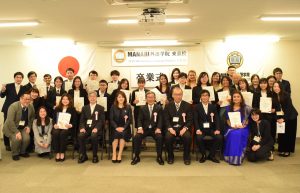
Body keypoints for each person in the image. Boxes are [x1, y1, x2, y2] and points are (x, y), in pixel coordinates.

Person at [131, 91, 164, 165]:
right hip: (144, 129)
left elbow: (161, 119)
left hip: (155, 129)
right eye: (148, 97)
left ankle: (159, 156)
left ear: (155, 98)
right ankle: (136, 156)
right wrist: (139, 128)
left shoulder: (159, 108)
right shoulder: (142, 108)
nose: (150, 99)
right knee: (136, 137)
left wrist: (159, 128)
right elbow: (139, 119)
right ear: (146, 99)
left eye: (152, 97)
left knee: (160, 137)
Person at [3, 91, 35, 161]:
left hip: (23, 127)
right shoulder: (13, 106)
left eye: (29, 99)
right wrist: (17, 132)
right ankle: (15, 153)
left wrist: (29, 126)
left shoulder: (31, 106)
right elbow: (10, 121)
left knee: (27, 138)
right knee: (17, 139)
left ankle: (22, 152)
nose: (27, 101)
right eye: (25, 99)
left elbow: (32, 117)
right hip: (11, 128)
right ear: (21, 99)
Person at [164, 87, 192, 165]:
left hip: (183, 128)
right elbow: (166, 119)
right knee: (168, 137)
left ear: (182, 95)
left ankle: (186, 156)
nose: (178, 96)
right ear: (172, 95)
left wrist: (185, 128)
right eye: (176, 94)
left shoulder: (187, 105)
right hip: (172, 128)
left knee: (187, 137)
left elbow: (190, 120)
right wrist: (170, 128)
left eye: (180, 94)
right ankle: (170, 156)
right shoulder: (168, 105)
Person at [194, 90, 222, 163]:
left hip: (211, 129)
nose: (205, 97)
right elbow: (195, 119)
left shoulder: (213, 107)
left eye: (206, 95)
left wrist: (217, 129)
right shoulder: (196, 107)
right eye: (203, 95)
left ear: (209, 97)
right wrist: (197, 129)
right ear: (200, 97)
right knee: (199, 138)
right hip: (201, 129)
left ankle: (211, 155)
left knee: (219, 137)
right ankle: (203, 155)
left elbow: (217, 119)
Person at [223, 91, 251, 165]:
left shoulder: (247, 108)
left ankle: (237, 158)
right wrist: (232, 126)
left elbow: (248, 120)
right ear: (232, 99)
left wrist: (243, 125)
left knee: (238, 133)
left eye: (238, 97)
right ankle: (230, 157)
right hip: (231, 127)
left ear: (241, 98)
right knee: (233, 133)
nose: (236, 98)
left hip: (243, 127)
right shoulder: (228, 108)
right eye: (234, 97)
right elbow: (227, 120)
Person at [78, 91, 105, 164]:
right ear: (88, 98)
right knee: (80, 136)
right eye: (91, 96)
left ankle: (95, 155)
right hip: (86, 129)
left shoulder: (101, 108)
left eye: (94, 96)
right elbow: (82, 120)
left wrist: (96, 128)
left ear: (96, 98)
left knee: (94, 136)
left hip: (96, 129)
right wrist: (82, 128)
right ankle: (84, 155)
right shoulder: (84, 108)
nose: (92, 98)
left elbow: (101, 121)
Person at [272, 81, 298, 157]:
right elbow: (276, 109)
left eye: (278, 86)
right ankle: (282, 149)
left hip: (290, 117)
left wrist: (283, 119)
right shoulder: (274, 96)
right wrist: (277, 118)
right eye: (274, 86)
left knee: (289, 134)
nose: (276, 88)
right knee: (281, 134)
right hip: (281, 117)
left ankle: (287, 150)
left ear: (281, 87)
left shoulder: (286, 95)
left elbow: (289, 109)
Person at [1, 71, 24, 151]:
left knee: (16, 125)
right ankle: (7, 144)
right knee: (6, 125)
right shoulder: (8, 86)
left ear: (22, 79)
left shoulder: (23, 87)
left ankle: (16, 142)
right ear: (14, 78)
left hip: (18, 110)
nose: (18, 79)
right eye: (17, 77)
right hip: (7, 108)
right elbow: (2, 96)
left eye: (20, 77)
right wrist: (2, 90)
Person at [52, 93, 77, 162]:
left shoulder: (72, 109)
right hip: (58, 127)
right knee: (55, 133)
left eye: (67, 99)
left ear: (69, 100)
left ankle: (62, 152)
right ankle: (57, 152)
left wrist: (70, 125)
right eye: (63, 99)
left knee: (63, 133)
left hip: (68, 128)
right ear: (61, 100)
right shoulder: (57, 108)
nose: (65, 100)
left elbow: (75, 121)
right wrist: (54, 125)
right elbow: (54, 120)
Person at [110, 91, 132, 163]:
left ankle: (119, 154)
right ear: (116, 98)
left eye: (122, 97)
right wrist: (116, 127)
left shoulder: (128, 107)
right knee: (116, 135)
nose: (121, 98)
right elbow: (111, 119)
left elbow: (129, 120)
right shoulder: (113, 107)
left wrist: (124, 128)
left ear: (125, 98)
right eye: (119, 97)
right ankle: (114, 153)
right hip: (115, 127)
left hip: (125, 128)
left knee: (122, 135)